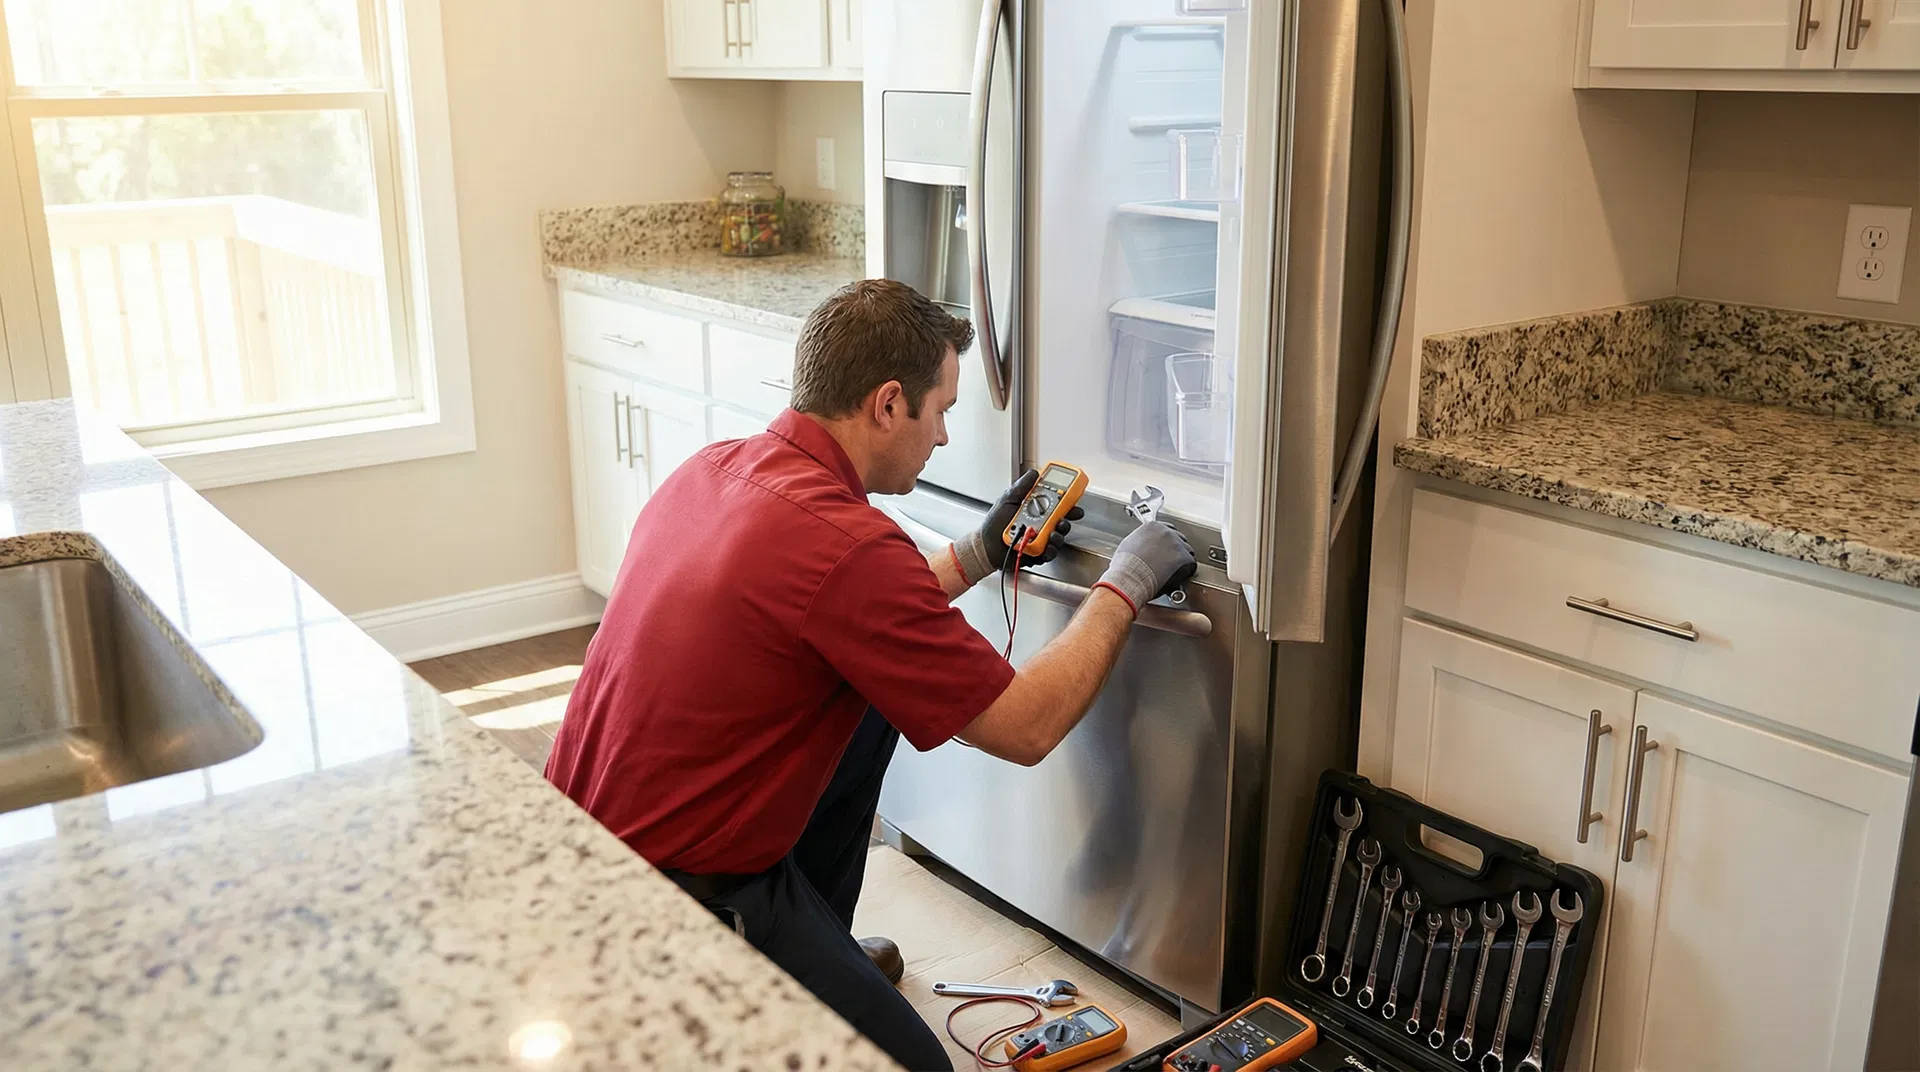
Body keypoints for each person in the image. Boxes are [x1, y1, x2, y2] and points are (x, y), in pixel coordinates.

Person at [545, 278, 1196, 1071]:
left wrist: (982, 552)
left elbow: (843, 610)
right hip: (679, 906)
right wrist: (1123, 583)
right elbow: (1025, 726)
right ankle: (778, 975)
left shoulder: (717, 468)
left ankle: (817, 945)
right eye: (942, 410)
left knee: (870, 705)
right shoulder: (849, 545)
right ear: (888, 404)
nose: (946, 438)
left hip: (579, 853)